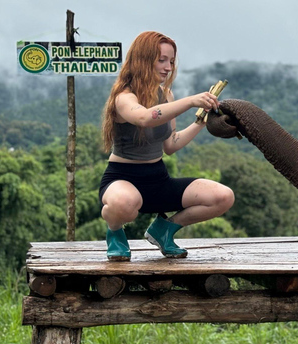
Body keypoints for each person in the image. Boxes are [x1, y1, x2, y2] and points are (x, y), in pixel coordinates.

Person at [99, 31, 234, 261]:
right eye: (161, 60)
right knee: (125, 202)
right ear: (143, 59)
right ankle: (114, 232)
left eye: (171, 61)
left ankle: (163, 230)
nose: (168, 67)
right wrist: (191, 101)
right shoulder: (124, 97)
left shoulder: (167, 95)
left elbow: (170, 145)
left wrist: (200, 121)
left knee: (223, 196)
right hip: (122, 179)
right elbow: (144, 117)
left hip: (158, 178)